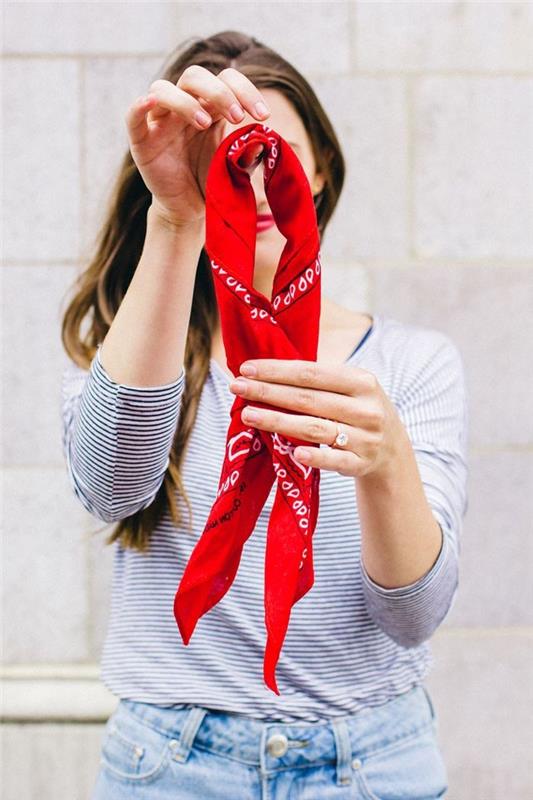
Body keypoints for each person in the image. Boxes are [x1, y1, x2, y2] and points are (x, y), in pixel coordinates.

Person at [60, 30, 467, 800]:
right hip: (172, 766)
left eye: (271, 148)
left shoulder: (411, 365)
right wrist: (177, 217)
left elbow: (413, 616)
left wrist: (385, 467)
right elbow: (110, 487)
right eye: (224, 158)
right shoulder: (134, 347)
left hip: (372, 766)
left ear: (317, 168)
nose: (252, 174)